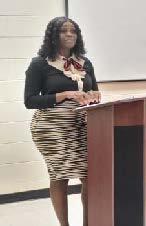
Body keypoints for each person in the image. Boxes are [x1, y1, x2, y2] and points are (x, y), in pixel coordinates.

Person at [24, 16, 101, 226]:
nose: (69, 34)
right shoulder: (40, 64)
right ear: (53, 35)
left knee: (88, 177)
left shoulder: (86, 63)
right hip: (51, 128)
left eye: (73, 31)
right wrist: (65, 94)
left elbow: (95, 90)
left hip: (82, 126)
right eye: (63, 31)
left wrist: (93, 97)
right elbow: (30, 101)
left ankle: (89, 222)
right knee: (60, 176)